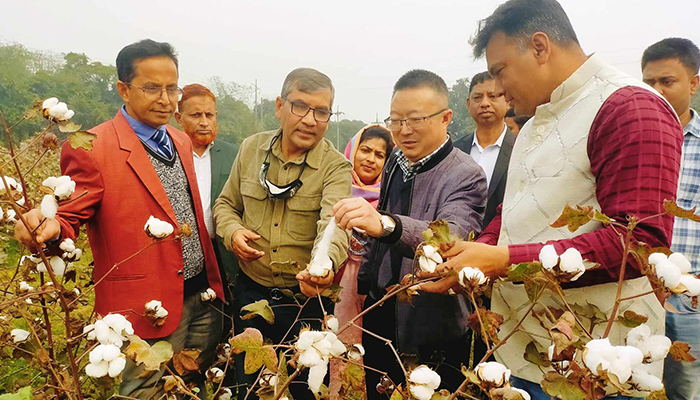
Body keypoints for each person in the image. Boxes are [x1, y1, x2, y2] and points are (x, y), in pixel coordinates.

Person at [418, 1, 683, 399]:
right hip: (523, 356)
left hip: (595, 370)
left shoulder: (628, 107)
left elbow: (641, 243)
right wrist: (474, 256)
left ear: (540, 47)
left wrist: (504, 261)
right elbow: (514, 214)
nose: (498, 88)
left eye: (500, 71)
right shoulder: (536, 124)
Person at [14, 39, 225, 398]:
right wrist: (49, 228)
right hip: (144, 304)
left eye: (171, 88)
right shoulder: (94, 146)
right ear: (123, 89)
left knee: (189, 386)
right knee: (143, 390)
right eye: (152, 88)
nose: (165, 99)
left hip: (201, 295)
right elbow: (70, 213)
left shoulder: (180, 140)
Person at [332, 69, 488, 398]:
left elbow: (451, 240)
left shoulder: (465, 174)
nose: (403, 131)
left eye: (415, 120)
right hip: (382, 312)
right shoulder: (397, 161)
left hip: (432, 324)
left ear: (446, 117)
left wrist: (387, 224)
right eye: (395, 120)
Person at [212, 68, 351, 400]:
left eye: (321, 111)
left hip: (303, 306)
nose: (310, 120)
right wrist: (232, 233)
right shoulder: (250, 150)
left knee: (300, 389)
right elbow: (225, 205)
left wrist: (323, 267)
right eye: (300, 107)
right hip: (250, 295)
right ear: (279, 106)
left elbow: (334, 228)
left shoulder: (335, 166)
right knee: (249, 387)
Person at [641, 37, 700, 400]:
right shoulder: (636, 139)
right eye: (648, 82)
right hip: (637, 294)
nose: (657, 90)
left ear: (694, 83)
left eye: (667, 81)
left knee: (685, 389)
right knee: (635, 384)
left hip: (689, 303)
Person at [329, 124, 394, 397]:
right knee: (338, 346)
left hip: (374, 283)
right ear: (352, 152)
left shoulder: (390, 196)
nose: (370, 158)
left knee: (372, 352)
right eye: (365, 150)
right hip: (340, 281)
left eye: (380, 155)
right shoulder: (337, 188)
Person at [175, 83, 240, 296]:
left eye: (209, 115)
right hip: (183, 257)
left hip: (225, 254)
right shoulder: (170, 154)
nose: (204, 122)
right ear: (178, 117)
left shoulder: (233, 155)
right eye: (195, 115)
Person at [454, 71, 516, 227]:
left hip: (502, 243)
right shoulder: (454, 151)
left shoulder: (521, 148)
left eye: (493, 96)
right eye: (477, 98)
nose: (485, 103)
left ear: (507, 101)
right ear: (468, 104)